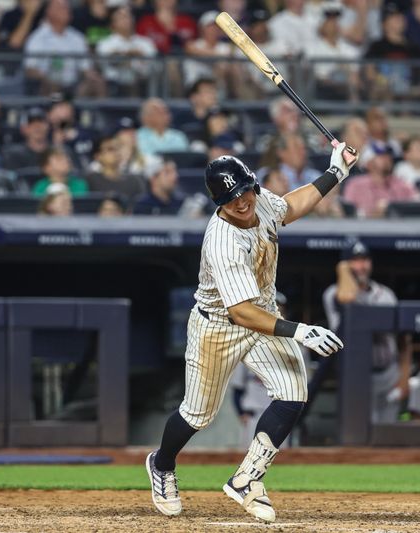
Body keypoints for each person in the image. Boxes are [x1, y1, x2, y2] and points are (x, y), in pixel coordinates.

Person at [144, 143, 359, 522]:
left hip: (263, 316)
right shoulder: (222, 239)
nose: (241, 202)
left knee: (294, 391)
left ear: (252, 184)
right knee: (198, 415)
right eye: (230, 198)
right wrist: (301, 331)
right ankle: (161, 465)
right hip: (220, 327)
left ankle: (247, 477)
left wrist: (335, 172)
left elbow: (290, 207)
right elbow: (241, 312)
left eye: (244, 191)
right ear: (217, 202)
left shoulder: (258, 200)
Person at [316, 241, 412, 423]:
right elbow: (347, 297)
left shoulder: (385, 295)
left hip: (388, 373)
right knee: (359, 435)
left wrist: (404, 376)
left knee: (387, 433)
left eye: (365, 260)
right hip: (356, 377)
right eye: (354, 261)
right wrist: (343, 270)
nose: (361, 266)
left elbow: (403, 339)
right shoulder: (332, 294)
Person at [230, 292, 298, 448]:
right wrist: (241, 412)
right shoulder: (245, 345)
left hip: (280, 415)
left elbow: (301, 388)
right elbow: (237, 388)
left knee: (281, 463)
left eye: (278, 311)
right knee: (247, 462)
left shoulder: (294, 347)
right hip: (253, 415)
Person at [23, 0, 105, 97]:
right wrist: (46, 79)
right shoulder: (37, 38)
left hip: (74, 86)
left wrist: (92, 76)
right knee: (50, 86)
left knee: (97, 82)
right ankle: (54, 110)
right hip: (48, 84)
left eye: (67, 8)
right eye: (62, 8)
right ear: (49, 12)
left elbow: (85, 68)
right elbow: (30, 69)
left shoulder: (77, 37)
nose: (67, 10)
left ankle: (97, 112)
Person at [363, 2, 420, 103]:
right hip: (385, 89)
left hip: (409, 90)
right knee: (383, 89)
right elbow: (369, 71)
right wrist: (383, 82)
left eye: (401, 16)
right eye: (393, 16)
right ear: (384, 23)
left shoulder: (413, 47)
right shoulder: (376, 47)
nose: (399, 18)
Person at [343, 145, 420, 218]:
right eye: (381, 156)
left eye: (388, 156)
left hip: (398, 228)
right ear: (368, 163)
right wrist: (374, 214)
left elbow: (417, 203)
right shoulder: (355, 185)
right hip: (365, 229)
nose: (387, 158)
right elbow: (347, 213)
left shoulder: (400, 183)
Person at [96, 6, 157, 97]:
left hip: (142, 84)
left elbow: (155, 64)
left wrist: (140, 55)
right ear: (113, 23)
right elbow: (103, 64)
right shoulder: (105, 43)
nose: (126, 20)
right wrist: (125, 55)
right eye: (121, 17)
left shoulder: (146, 43)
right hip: (113, 85)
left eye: (128, 17)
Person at [304, 3, 361, 102]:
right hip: (322, 93)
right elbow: (310, 78)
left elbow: (355, 76)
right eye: (329, 20)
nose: (333, 23)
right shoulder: (311, 49)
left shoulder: (349, 49)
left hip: (345, 93)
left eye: (335, 20)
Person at [183, 11, 233, 88]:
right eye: (209, 27)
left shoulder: (225, 48)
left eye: (216, 27)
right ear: (202, 28)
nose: (213, 30)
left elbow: (226, 67)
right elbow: (189, 48)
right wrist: (217, 56)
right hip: (194, 89)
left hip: (217, 89)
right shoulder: (194, 45)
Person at [86, 136, 145, 200]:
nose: (116, 152)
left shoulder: (134, 181)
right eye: (110, 149)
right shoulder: (91, 180)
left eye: (118, 148)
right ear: (98, 156)